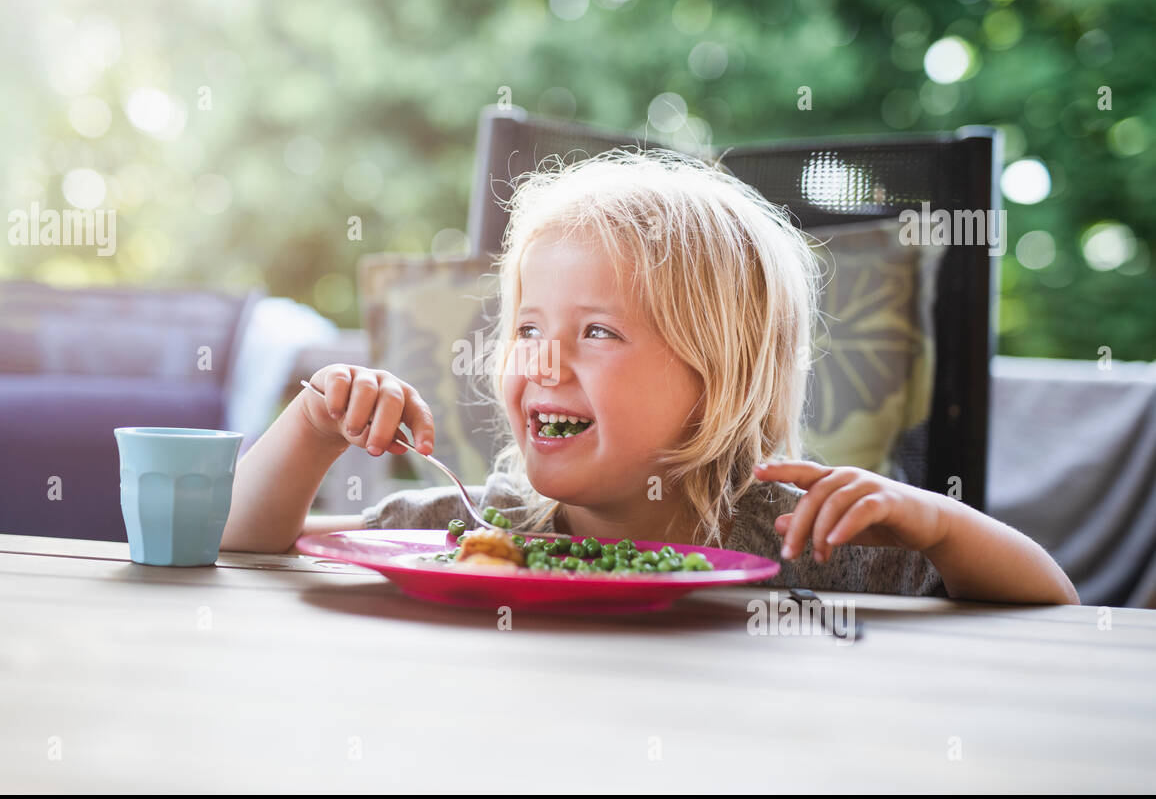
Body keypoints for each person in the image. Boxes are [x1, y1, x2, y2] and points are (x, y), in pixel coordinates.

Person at [221, 148, 1079, 605]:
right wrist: (308, 427)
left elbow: (1052, 603)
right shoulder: (468, 527)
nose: (542, 362)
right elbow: (241, 546)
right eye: (526, 328)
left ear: (720, 378)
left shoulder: (802, 540)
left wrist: (938, 527)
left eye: (596, 331)